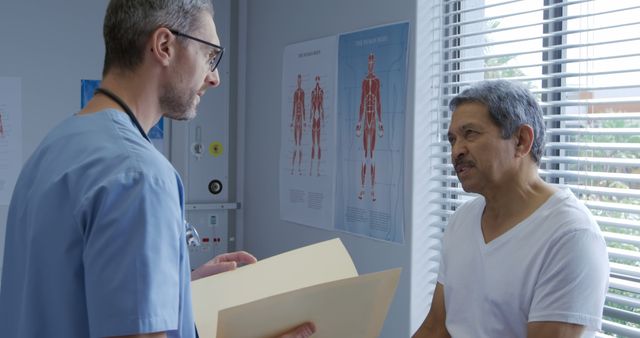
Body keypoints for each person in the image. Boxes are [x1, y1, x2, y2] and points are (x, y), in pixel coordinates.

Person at [0, 1, 315, 338]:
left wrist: (175, 288)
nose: (214, 77)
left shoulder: (52, 151)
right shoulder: (141, 175)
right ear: (164, 46)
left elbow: (66, 295)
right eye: (210, 56)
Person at [413, 80, 609, 338]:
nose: (456, 151)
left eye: (470, 133)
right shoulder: (461, 220)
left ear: (521, 141)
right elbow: (436, 328)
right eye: (453, 139)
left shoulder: (571, 237)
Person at [355, 53, 383, 201]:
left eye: (372, 62)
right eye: (369, 62)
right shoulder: (365, 82)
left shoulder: (377, 81)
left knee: (372, 157)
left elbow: (378, 102)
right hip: (366, 121)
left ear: (374, 63)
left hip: (373, 122)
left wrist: (380, 122)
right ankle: (361, 189)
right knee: (364, 157)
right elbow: (362, 102)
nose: (370, 65)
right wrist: (359, 121)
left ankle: (372, 190)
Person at [309, 75, 325, 176]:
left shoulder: (321, 92)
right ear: (315, 81)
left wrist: (323, 121)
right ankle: (311, 168)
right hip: (314, 120)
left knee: (318, 144)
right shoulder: (313, 92)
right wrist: (310, 119)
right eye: (317, 79)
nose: (318, 81)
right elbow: (311, 106)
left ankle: (318, 170)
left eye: (319, 79)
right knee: (313, 144)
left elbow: (322, 107)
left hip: (318, 120)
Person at [291, 73, 306, 175]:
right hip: (296, 118)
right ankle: (292, 168)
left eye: (300, 80)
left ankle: (299, 168)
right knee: (294, 145)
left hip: (300, 119)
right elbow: (294, 106)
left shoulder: (303, 92)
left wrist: (304, 121)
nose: (299, 82)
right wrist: (292, 121)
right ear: (297, 81)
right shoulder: (296, 93)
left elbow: (303, 106)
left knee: (299, 145)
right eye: (298, 80)